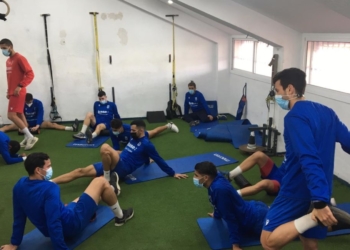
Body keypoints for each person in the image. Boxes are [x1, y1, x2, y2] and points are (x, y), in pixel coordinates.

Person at [260, 68, 350, 250]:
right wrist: (320, 197)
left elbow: (309, 158)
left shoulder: (294, 117)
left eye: (277, 91)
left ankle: (313, 215)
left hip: (297, 190)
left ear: (290, 89)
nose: (276, 96)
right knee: (309, 243)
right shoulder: (327, 112)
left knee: (268, 241)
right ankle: (314, 213)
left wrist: (318, 203)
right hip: (322, 189)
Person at [0, 152, 134, 250]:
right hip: (71, 226)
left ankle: (93, 208)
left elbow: (19, 216)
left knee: (83, 198)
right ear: (38, 170)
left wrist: (13, 244)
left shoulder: (19, 185)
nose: (50, 169)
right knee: (100, 181)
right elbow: (54, 222)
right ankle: (120, 216)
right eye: (48, 166)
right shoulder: (50, 188)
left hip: (58, 221)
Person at [51, 120, 188, 195]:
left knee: (105, 147)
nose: (131, 131)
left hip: (124, 167)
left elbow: (158, 159)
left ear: (141, 131)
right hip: (115, 162)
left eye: (133, 130)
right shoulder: (134, 138)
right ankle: (51, 182)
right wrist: (146, 160)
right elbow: (135, 153)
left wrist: (173, 173)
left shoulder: (147, 144)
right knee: (79, 171)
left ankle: (106, 177)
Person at [194, 161, 269, 250]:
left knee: (280, 233)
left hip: (256, 221)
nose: (194, 178)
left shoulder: (219, 190)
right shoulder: (214, 180)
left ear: (206, 177)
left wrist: (235, 245)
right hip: (254, 208)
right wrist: (216, 215)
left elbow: (230, 218)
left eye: (196, 175)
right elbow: (216, 202)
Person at [0, 38, 38, 150]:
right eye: (1, 49)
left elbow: (30, 74)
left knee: (11, 115)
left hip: (19, 92)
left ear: (10, 47)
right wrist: (9, 90)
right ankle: (27, 137)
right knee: (19, 114)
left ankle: (30, 136)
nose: (3, 51)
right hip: (13, 92)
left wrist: (20, 86)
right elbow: (10, 78)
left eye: (4, 48)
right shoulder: (8, 61)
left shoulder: (20, 58)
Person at [0, 93, 79, 137]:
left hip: (36, 122)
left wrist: (37, 125)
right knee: (7, 127)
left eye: (28, 101)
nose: (27, 103)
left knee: (52, 124)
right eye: (25, 101)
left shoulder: (38, 103)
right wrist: (23, 126)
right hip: (25, 122)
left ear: (32, 99)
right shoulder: (22, 103)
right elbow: (20, 115)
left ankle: (71, 128)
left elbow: (40, 114)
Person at [109, 118, 179, 150]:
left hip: (137, 137)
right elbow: (116, 146)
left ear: (121, 127)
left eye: (116, 130)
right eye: (113, 129)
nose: (114, 131)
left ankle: (169, 125)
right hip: (125, 142)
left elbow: (134, 143)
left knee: (154, 132)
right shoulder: (112, 131)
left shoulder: (130, 129)